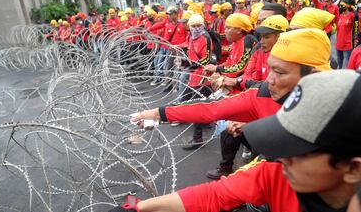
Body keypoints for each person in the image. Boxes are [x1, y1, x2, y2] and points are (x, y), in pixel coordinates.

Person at [111, 69, 361, 212]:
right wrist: (139, 207)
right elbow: (214, 194)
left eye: (297, 150)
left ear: (352, 168)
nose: (281, 158)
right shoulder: (277, 174)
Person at [132, 29, 331, 177]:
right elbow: (211, 109)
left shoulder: (343, 112)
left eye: (279, 72)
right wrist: (158, 114)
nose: (269, 79)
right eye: (270, 70)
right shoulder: (262, 95)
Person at [176, 14, 214, 149]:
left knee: (197, 105)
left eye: (199, 26)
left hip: (204, 77)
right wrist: (185, 62)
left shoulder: (206, 38)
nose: (196, 29)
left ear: (203, 26)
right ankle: (206, 122)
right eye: (193, 26)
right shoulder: (190, 37)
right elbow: (190, 51)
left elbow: (207, 59)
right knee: (201, 103)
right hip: (194, 76)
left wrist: (191, 65)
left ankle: (197, 139)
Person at [337, 0, 359, 69]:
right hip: (338, 45)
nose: (342, 5)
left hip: (348, 46)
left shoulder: (353, 16)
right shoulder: (340, 15)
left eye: (344, 3)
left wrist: (355, 13)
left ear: (349, 5)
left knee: (346, 68)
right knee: (339, 66)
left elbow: (357, 28)